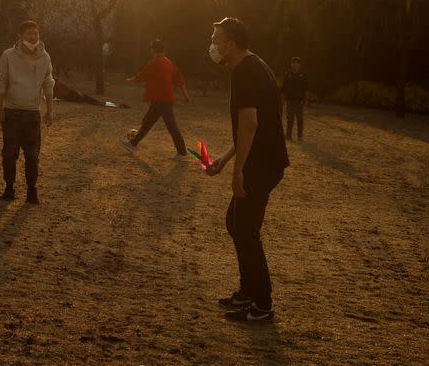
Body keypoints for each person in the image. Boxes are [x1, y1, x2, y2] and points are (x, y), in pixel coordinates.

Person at [204, 17, 289, 322]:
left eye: (217, 38)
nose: (213, 44)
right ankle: (248, 292)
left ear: (232, 43)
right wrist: (226, 160)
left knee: (245, 229)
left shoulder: (243, 71)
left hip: (261, 163)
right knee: (235, 222)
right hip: (261, 159)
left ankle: (262, 303)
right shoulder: (252, 66)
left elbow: (250, 124)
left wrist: (238, 171)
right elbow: (247, 129)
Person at [0, 20, 55, 204]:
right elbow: (1, 81)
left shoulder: (45, 58)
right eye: (29, 34)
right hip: (12, 112)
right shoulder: (8, 55)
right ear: (20, 36)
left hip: (32, 114)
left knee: (32, 155)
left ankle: (31, 190)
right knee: (9, 154)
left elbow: (48, 83)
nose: (33, 37)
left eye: (35, 33)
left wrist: (49, 110)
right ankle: (9, 188)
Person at [120, 39, 190, 159]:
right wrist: (185, 96)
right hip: (164, 99)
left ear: (153, 50)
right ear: (163, 50)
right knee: (148, 122)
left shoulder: (155, 62)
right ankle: (132, 144)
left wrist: (130, 80)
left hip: (161, 99)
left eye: (151, 49)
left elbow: (143, 74)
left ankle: (182, 152)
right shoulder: (169, 63)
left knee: (170, 125)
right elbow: (180, 79)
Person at [281, 56, 308, 141]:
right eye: (293, 63)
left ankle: (300, 136)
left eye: (296, 63)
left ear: (299, 65)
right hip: (289, 101)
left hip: (299, 101)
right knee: (290, 119)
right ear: (291, 64)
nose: (295, 65)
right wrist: (283, 100)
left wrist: (306, 100)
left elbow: (306, 89)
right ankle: (288, 135)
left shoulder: (303, 75)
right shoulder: (287, 75)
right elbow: (283, 89)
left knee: (300, 119)